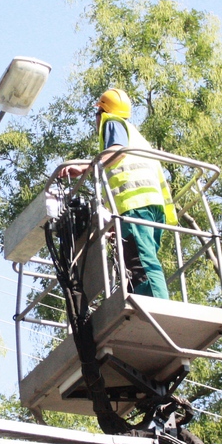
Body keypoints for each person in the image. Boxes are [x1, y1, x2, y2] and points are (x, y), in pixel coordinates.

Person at [60, 88, 177, 299]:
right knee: (139, 259)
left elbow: (114, 151)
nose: (96, 120)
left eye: (97, 114)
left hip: (134, 204)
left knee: (141, 261)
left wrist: (84, 167)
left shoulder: (111, 123)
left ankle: (157, 306)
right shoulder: (136, 136)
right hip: (150, 206)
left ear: (103, 112)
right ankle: (142, 299)